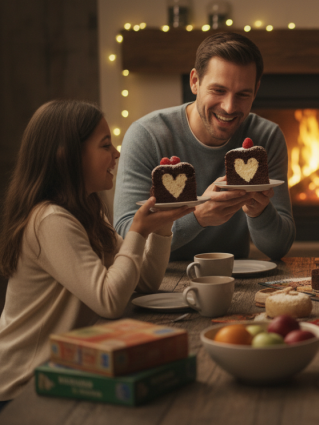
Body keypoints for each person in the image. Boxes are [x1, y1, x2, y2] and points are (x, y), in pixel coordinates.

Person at [0, 100, 192, 408]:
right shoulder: (50, 220)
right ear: (68, 157)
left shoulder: (86, 210)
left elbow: (145, 282)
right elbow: (110, 300)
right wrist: (137, 232)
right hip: (25, 387)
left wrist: (162, 226)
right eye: (106, 145)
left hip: (71, 371)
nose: (116, 154)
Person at [113, 32, 295, 261]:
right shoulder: (147, 136)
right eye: (218, 90)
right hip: (159, 277)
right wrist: (198, 217)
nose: (229, 107)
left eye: (243, 94)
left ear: (256, 90)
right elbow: (124, 237)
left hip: (233, 278)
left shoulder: (266, 137)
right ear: (195, 82)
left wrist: (260, 212)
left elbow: (278, 249)